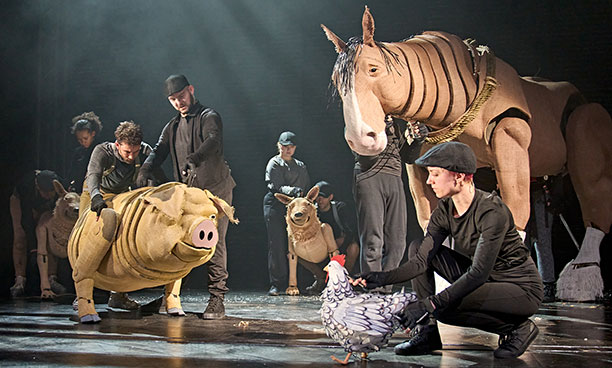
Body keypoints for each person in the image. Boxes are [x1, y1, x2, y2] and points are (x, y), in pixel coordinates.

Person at [352, 142, 544, 359]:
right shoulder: (444, 210)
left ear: (459, 177)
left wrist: (430, 304)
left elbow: (478, 273)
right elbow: (421, 262)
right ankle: (428, 333)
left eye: (435, 173)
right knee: (416, 248)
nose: (428, 180)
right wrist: (381, 278)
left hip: (519, 288)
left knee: (444, 307)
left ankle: (516, 329)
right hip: (483, 278)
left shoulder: (491, 211)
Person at [136, 74, 236, 319]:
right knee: (177, 243)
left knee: (214, 242)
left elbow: (213, 140)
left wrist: (194, 158)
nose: (178, 102)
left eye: (181, 96)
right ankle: (170, 295)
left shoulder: (208, 116)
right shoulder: (172, 126)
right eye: (173, 99)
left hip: (216, 192)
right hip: (189, 197)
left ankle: (217, 299)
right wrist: (146, 168)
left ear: (191, 90)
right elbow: (158, 150)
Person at [83, 120, 153, 310]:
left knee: (121, 242)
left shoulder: (146, 152)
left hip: (122, 195)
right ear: (117, 145)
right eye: (126, 152)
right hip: (95, 192)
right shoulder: (102, 151)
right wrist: (96, 198)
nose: (131, 157)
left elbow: (153, 176)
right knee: (89, 241)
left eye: (135, 152)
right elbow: (93, 176)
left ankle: (118, 295)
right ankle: (82, 293)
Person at [352, 117, 423, 294]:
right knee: (373, 240)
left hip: (395, 178)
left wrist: (417, 140)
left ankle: (385, 288)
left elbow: (407, 157)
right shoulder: (360, 118)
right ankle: (372, 291)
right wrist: (380, 128)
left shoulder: (396, 126)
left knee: (397, 242)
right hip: (370, 175)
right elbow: (364, 152)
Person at [263, 131, 310, 296]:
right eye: (284, 146)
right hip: (276, 205)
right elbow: (275, 186)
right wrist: (293, 191)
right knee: (276, 244)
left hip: (295, 208)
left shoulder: (301, 165)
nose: (287, 150)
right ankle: (276, 283)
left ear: (295, 148)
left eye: (290, 147)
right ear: (279, 146)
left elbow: (305, 186)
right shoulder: (274, 163)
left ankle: (297, 281)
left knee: (298, 243)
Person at [9, 170, 62, 297]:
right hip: (20, 201)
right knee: (20, 237)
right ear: (38, 187)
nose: (49, 195)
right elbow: (26, 220)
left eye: (51, 192)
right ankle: (20, 280)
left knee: (50, 236)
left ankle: (52, 277)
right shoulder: (26, 186)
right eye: (45, 192)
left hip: (48, 207)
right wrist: (34, 249)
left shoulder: (60, 185)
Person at [304, 180, 359, 295]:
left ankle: (343, 281)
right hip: (320, 248)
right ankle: (320, 278)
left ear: (330, 197)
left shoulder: (340, 208)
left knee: (354, 248)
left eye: (323, 197)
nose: (319, 200)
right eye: (317, 197)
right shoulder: (312, 212)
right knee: (296, 254)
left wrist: (339, 241)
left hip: (339, 246)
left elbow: (351, 231)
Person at [67, 112, 103, 193]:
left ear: (93, 134)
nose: (83, 142)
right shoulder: (78, 152)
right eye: (79, 140)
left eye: (85, 138)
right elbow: (72, 174)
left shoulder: (101, 150)